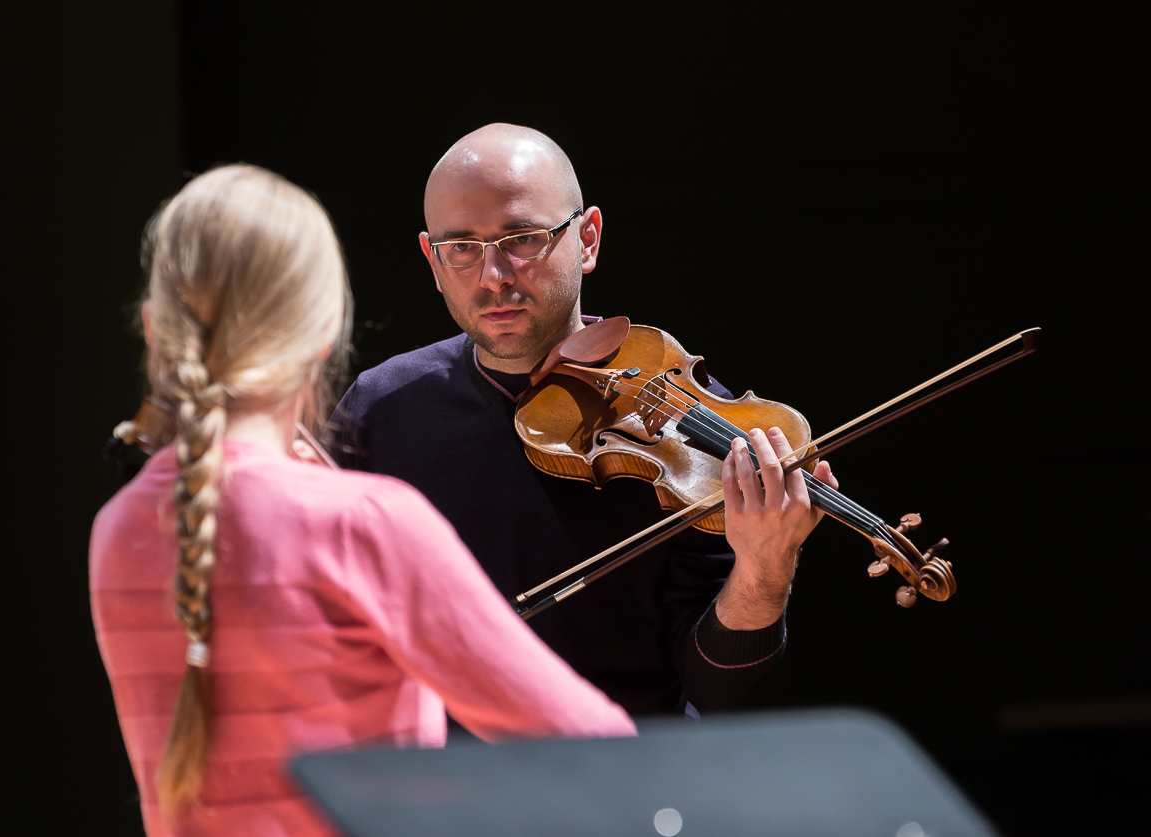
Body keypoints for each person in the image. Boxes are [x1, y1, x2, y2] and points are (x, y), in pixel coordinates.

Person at [90, 164, 635, 837]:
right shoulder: (363, 522)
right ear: (323, 332)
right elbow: (595, 745)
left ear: (153, 327)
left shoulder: (117, 529)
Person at [327, 124, 839, 718]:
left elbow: (713, 688)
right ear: (433, 261)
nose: (494, 275)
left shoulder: (688, 431)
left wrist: (764, 569)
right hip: (441, 785)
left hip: (625, 780)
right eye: (462, 247)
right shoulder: (380, 410)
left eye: (522, 238)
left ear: (588, 238)